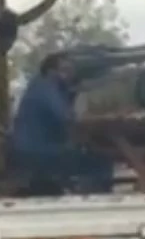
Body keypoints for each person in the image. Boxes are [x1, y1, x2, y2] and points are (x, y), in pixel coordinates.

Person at [9, 52, 112, 193]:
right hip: (37, 152)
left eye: (71, 71)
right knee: (100, 162)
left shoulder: (41, 85)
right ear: (51, 72)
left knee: (87, 154)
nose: (70, 75)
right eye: (65, 70)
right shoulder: (46, 87)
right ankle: (94, 205)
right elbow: (65, 116)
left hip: (31, 150)